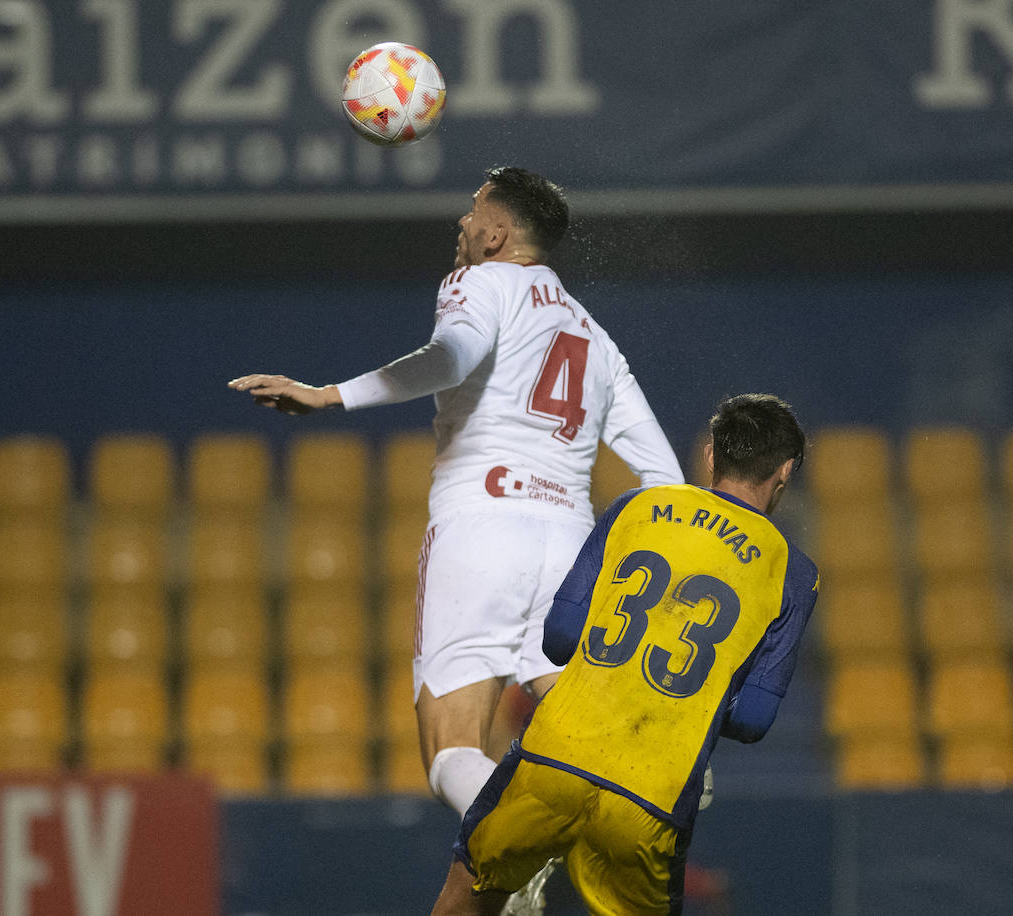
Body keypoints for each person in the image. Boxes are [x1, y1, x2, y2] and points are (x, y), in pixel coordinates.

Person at [230, 166, 683, 907]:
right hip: (570, 550)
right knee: (579, 741)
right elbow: (662, 480)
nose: (463, 223)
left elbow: (452, 358)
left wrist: (330, 394)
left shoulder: (477, 282)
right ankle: (644, 780)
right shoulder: (596, 337)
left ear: (498, 234)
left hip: (482, 527)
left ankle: (520, 847)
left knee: (449, 747)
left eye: (474, 212)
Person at [431, 393, 819, 915]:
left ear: (710, 456)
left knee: (469, 894)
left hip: (555, 757)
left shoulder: (634, 508)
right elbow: (753, 717)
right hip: (652, 792)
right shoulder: (793, 571)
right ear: (786, 470)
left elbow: (561, 636)